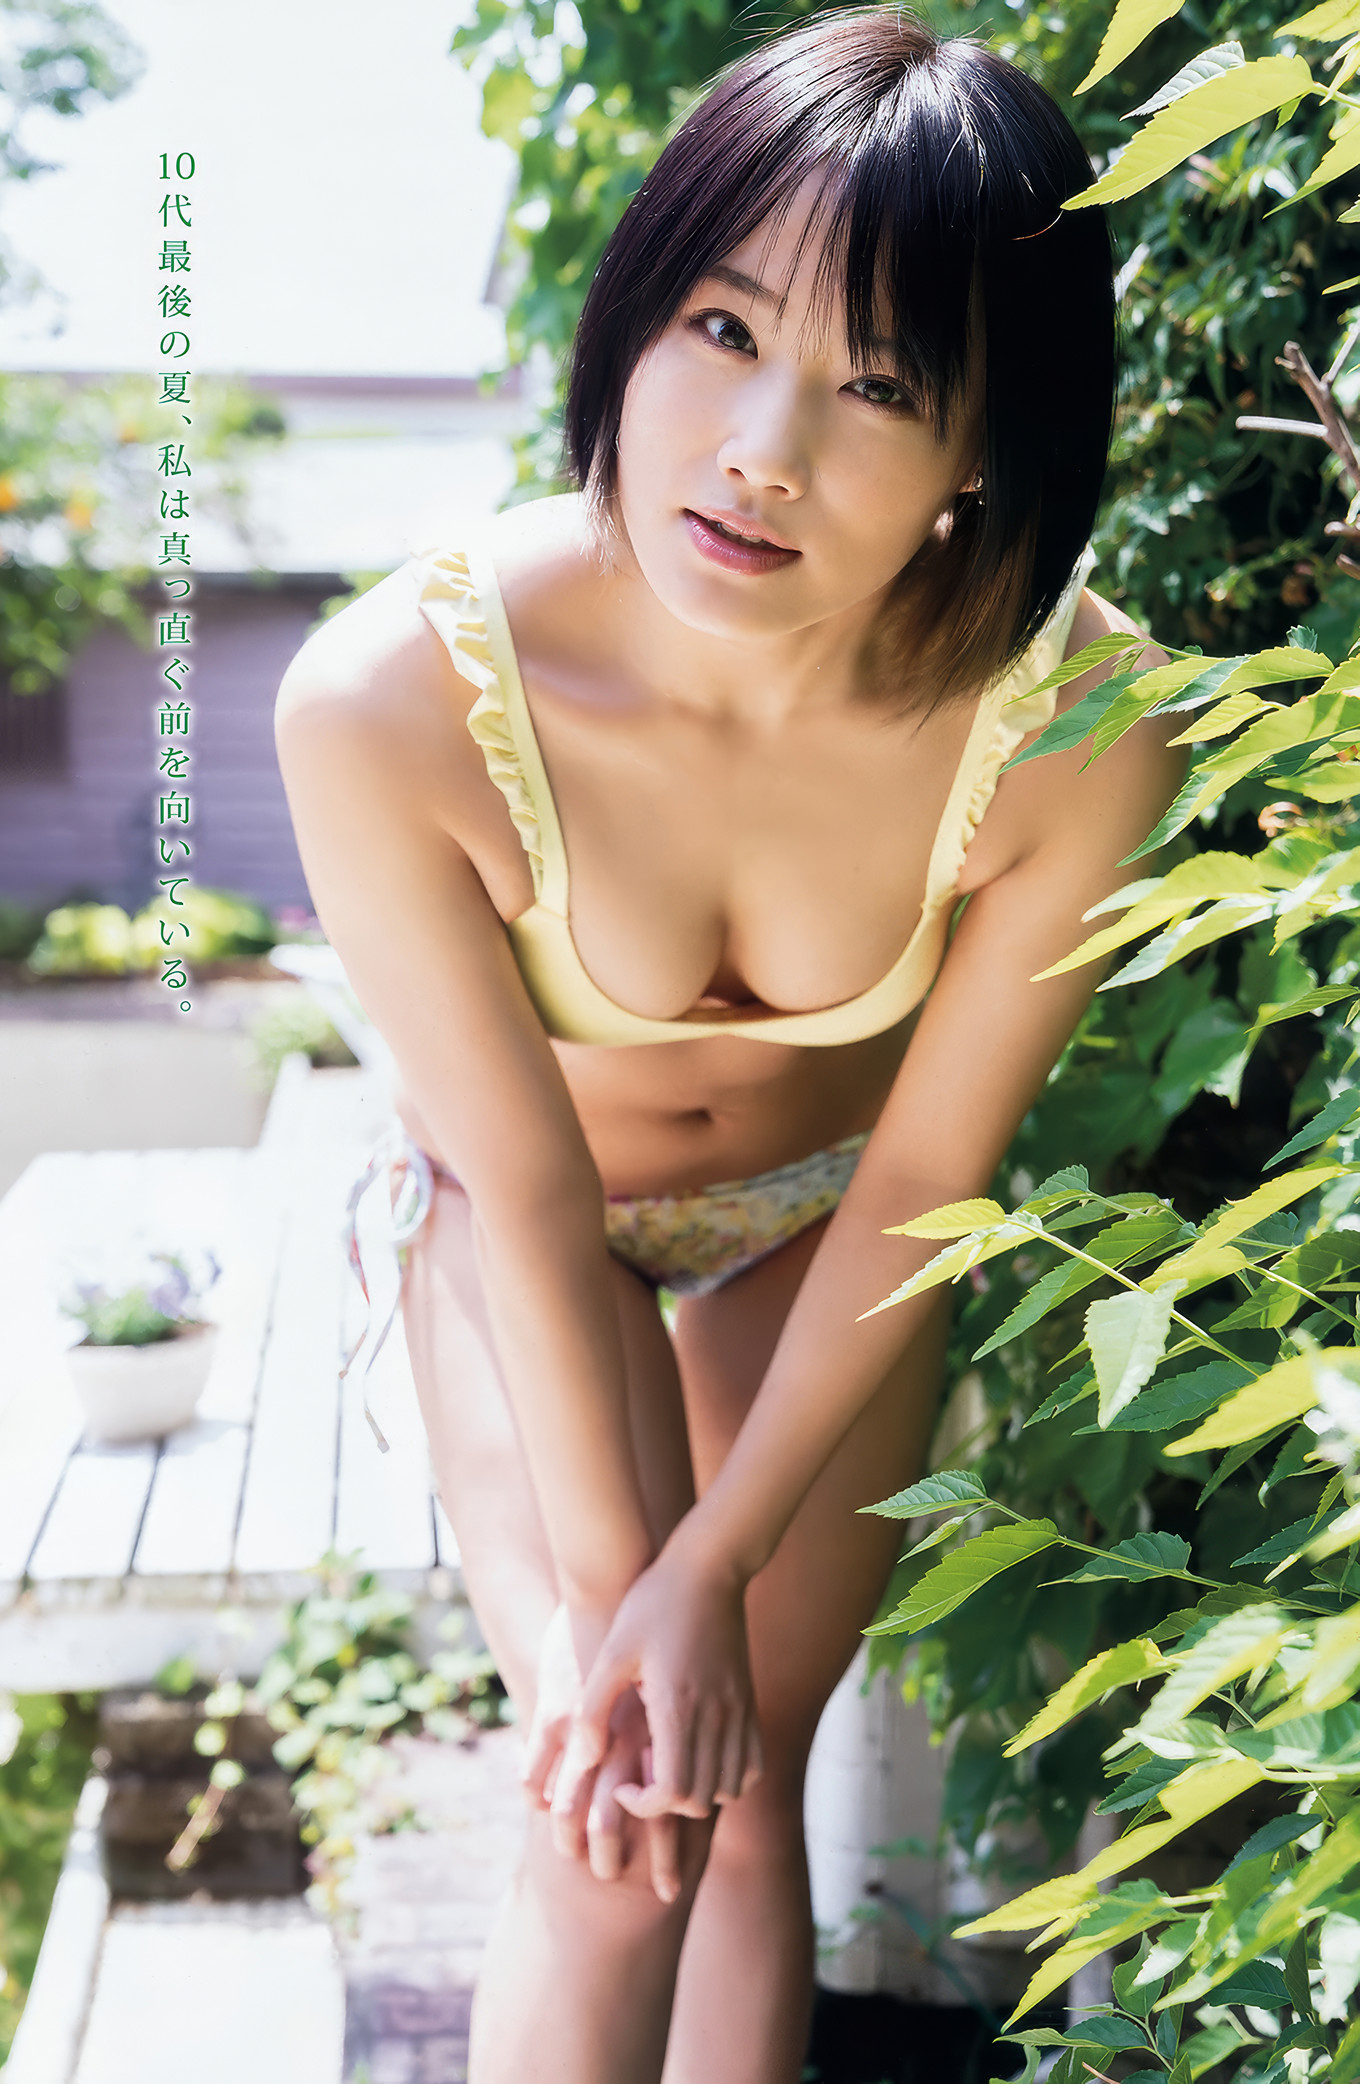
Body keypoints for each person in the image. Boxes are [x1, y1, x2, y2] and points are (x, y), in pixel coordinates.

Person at [273, 9, 1182, 2079]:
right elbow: (524, 1183)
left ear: (988, 447)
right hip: (526, 1223)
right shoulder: (388, 696)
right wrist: (637, 1593)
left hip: (830, 1222)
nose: (764, 443)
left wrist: (721, 1565)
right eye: (719, 325)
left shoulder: (1078, 724)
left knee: (743, 1777)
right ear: (631, 318)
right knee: (620, 1808)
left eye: (882, 384)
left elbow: (928, 1177)